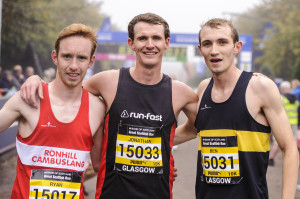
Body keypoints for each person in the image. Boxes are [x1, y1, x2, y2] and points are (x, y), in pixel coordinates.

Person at [20, 13, 198, 199]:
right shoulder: (107, 81)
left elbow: (194, 129)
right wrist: (37, 81)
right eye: (142, 38)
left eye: (156, 38)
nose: (150, 44)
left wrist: (163, 146)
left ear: (166, 43)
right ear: (131, 43)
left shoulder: (181, 92)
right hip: (110, 193)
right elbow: (64, 92)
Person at [175, 18, 299, 199]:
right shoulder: (203, 89)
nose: (214, 50)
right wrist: (148, 141)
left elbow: (289, 149)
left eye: (222, 42)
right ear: (200, 50)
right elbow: (192, 129)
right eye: (207, 44)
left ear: (237, 47)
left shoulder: (260, 87)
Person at [0, 23, 105, 198]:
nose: (73, 65)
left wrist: (74, 171)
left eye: (81, 58)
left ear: (91, 61)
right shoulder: (27, 98)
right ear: (55, 57)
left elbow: (99, 165)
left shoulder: (98, 109)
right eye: (67, 56)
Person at [269, 81, 299, 166]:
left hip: (283, 124)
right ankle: (295, 161)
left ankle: (271, 159)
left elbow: (276, 111)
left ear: (282, 89)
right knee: (294, 144)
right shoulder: (296, 99)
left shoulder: (281, 98)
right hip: (294, 124)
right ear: (289, 89)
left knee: (277, 142)